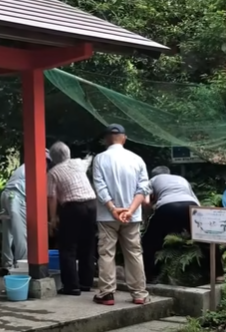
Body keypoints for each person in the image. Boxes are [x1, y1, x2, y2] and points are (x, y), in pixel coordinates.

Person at [92, 124, 151, 306]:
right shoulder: (137, 159)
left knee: (107, 253)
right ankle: (139, 293)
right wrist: (130, 210)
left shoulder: (100, 159)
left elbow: (100, 187)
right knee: (134, 252)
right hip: (132, 216)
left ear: (107, 139)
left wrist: (113, 209)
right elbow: (143, 188)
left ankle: (107, 293)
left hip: (107, 216)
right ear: (124, 138)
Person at [47, 142, 96, 295]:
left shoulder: (53, 172)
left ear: (52, 158)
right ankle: (86, 283)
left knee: (68, 248)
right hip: (91, 205)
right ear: (68, 153)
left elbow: (52, 197)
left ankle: (71, 286)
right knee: (87, 245)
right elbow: (89, 160)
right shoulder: (78, 163)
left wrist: (53, 217)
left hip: (72, 208)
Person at [0, 149, 52, 269]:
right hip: (16, 197)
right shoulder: (37, 167)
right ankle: (22, 265)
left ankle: (7, 264)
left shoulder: (24, 166)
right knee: (20, 233)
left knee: (8, 232)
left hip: (6, 194)